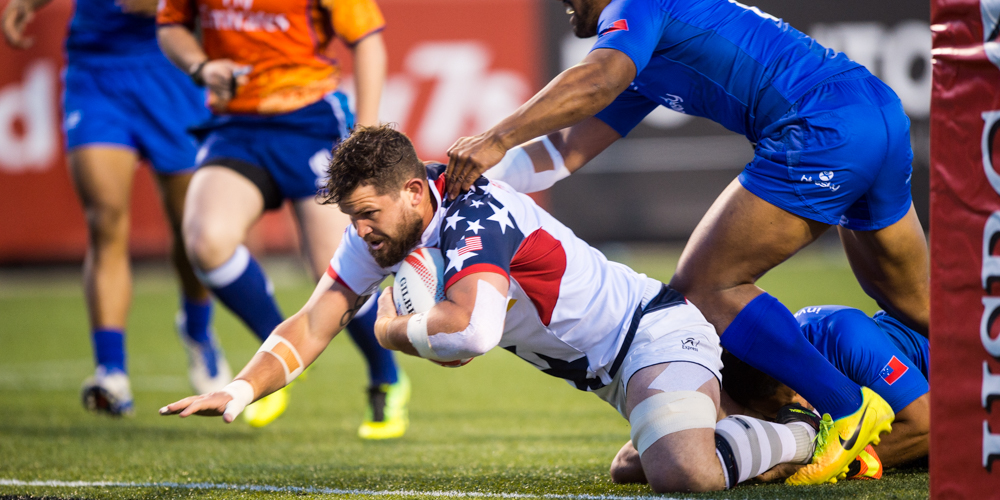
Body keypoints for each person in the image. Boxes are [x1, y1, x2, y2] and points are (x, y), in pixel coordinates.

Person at [160, 125, 827, 493]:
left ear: (417, 194)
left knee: (686, 475)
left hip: (654, 335)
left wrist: (391, 328)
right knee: (635, 468)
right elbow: (313, 320)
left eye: (367, 214)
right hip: (612, 373)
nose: (360, 231)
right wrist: (243, 387)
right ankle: (742, 415)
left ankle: (807, 432)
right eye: (353, 217)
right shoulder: (388, 229)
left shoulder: (474, 214)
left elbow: (472, 334)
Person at [445, 0, 925, 483]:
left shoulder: (633, 8)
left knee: (705, 288)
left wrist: (497, 137)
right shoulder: (641, 53)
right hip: (875, 110)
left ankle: (845, 408)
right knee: (920, 306)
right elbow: (565, 150)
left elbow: (598, 78)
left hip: (821, 127)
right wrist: (452, 188)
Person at [155, 0, 408, 437]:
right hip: (236, 123)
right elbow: (170, 23)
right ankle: (280, 354)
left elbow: (368, 41)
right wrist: (200, 66)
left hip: (309, 118)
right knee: (205, 241)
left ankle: (386, 376)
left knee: (337, 271)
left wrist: (365, 141)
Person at [2, 0, 230, 416]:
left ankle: (198, 332)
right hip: (96, 71)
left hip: (168, 71)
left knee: (191, 230)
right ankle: (111, 371)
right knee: (104, 220)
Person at [610, 305, 930, 483]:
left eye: (793, 404)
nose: (801, 410)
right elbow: (625, 463)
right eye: (769, 415)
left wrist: (811, 461)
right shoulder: (734, 389)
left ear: (795, 382)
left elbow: (924, 426)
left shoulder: (842, 336)